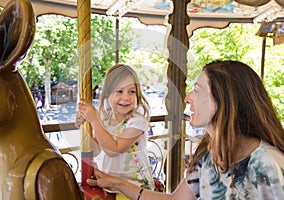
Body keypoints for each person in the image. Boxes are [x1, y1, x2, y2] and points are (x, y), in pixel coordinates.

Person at [86, 60, 284, 200]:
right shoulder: (207, 154)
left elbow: (115, 148)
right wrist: (117, 182)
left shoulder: (268, 163)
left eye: (196, 90)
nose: (188, 98)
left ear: (223, 98)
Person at [76, 64, 155, 199]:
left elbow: (114, 150)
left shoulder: (137, 122)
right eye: (119, 91)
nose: (126, 97)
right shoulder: (105, 120)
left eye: (132, 91)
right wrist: (85, 126)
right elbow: (95, 150)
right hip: (109, 181)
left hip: (134, 185)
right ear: (107, 94)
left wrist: (94, 120)